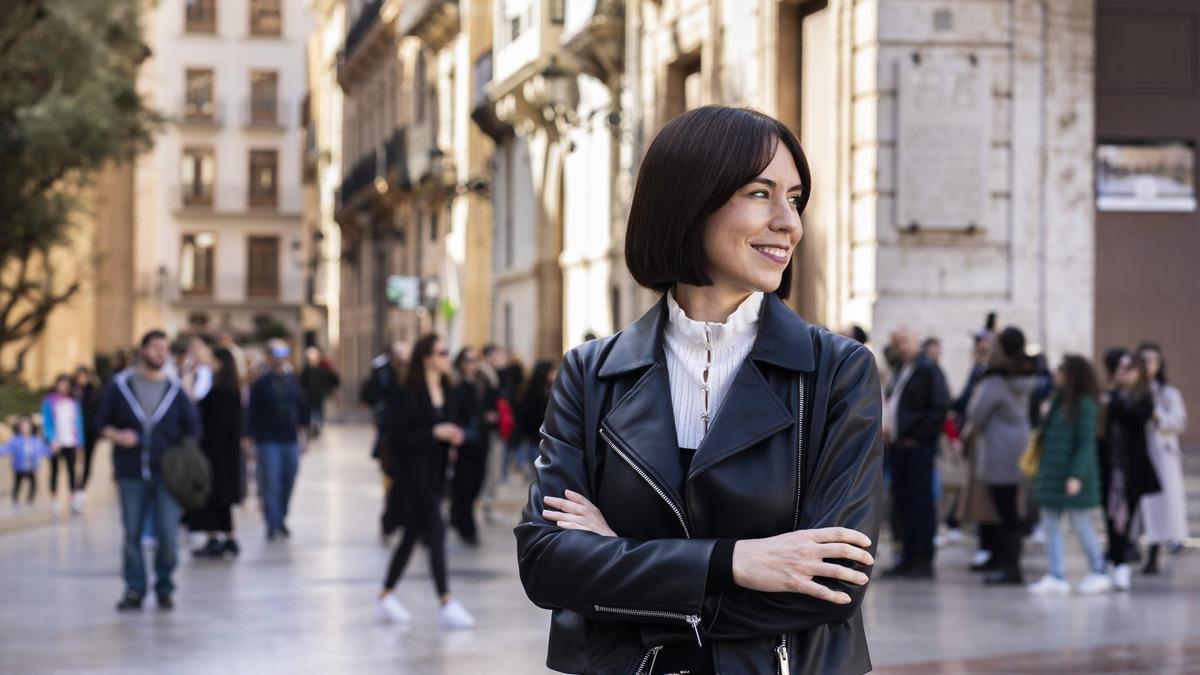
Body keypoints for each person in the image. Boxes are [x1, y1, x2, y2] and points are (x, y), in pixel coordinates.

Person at [516, 106, 882, 674]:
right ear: (690, 201)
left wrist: (617, 565)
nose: (790, 222)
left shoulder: (837, 372)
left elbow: (832, 583)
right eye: (761, 193)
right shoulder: (591, 374)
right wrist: (736, 562)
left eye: (796, 198)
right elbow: (546, 564)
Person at [96, 329, 200, 611]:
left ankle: (165, 585)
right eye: (155, 347)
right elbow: (100, 423)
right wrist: (118, 436)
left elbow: (193, 429)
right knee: (132, 534)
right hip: (130, 473)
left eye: (165, 349)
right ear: (142, 350)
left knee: (167, 535)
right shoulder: (121, 386)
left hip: (167, 475)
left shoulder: (175, 389)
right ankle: (134, 589)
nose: (160, 353)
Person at [376, 334, 475, 629]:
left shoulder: (448, 389)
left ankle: (385, 594)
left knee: (410, 537)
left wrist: (453, 436)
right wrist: (435, 433)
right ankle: (445, 600)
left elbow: (453, 424)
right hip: (412, 476)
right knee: (436, 532)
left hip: (435, 474)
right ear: (427, 358)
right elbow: (397, 437)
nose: (447, 358)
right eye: (442, 352)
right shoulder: (409, 392)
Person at [1027, 355, 1112, 595]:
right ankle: (1056, 575)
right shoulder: (1057, 401)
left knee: (1080, 522)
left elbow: (1086, 445)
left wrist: (1075, 475)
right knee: (1051, 524)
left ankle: (1099, 570)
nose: (1056, 375)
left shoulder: (1084, 405)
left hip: (1073, 477)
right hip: (1052, 473)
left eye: (1061, 371)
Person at [964, 327, 1037, 585]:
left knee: (1006, 515)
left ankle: (1010, 568)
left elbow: (976, 414)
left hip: (998, 452)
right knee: (1011, 513)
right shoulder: (1026, 377)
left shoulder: (996, 381)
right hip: (1019, 449)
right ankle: (1008, 564)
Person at [882, 328, 949, 579]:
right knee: (903, 504)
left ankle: (922, 558)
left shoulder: (927, 368)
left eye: (903, 341)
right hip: (899, 447)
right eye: (896, 343)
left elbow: (940, 407)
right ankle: (907, 557)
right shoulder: (902, 368)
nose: (899, 347)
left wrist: (917, 435)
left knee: (921, 504)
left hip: (917, 447)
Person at [1100, 351, 1159, 591]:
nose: (1123, 372)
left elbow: (1135, 418)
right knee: (1110, 516)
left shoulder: (1143, 397)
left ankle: (1121, 563)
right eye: (1120, 368)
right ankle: (1114, 560)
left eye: (1128, 369)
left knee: (1126, 518)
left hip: (1132, 469)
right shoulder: (1109, 395)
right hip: (1109, 467)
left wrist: (1113, 402)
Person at [245, 339, 309, 540]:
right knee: (271, 482)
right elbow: (251, 413)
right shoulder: (259, 384)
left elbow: (302, 408)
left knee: (289, 479)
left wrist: (305, 434)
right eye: (275, 351)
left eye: (284, 351)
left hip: (290, 438)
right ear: (268, 356)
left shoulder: (293, 381)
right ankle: (272, 522)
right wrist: (248, 438)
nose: (280, 355)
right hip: (268, 439)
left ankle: (281, 517)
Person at [187, 348, 245, 559]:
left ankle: (218, 538)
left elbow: (201, 411)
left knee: (213, 497)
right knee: (221, 501)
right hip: (225, 455)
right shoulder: (231, 390)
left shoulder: (219, 392)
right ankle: (224, 538)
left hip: (214, 455)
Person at [1136, 343, 1188, 573]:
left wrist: (1158, 417)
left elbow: (1179, 422)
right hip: (1135, 454)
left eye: (1152, 361)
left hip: (1161, 455)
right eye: (1144, 361)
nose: (1148, 366)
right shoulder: (1132, 390)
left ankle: (1154, 553)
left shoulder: (1168, 393)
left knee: (1159, 507)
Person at [449, 347, 490, 545]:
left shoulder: (481, 384)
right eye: (468, 360)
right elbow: (454, 414)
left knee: (477, 483)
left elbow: (495, 396)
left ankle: (457, 515)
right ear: (461, 363)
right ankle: (467, 527)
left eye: (475, 360)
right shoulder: (456, 386)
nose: (472, 365)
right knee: (465, 485)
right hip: (463, 443)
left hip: (480, 442)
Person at [42, 373, 86, 515]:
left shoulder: (74, 401)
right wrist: (51, 440)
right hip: (56, 443)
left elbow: (78, 423)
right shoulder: (49, 401)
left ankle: (73, 500)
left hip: (70, 442)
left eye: (66, 383)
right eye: (61, 383)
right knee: (55, 471)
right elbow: (47, 422)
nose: (64, 386)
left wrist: (80, 442)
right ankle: (54, 500)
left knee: (72, 471)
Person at [1, 416, 51, 504]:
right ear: (19, 428)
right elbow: (6, 449)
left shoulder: (36, 440)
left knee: (34, 484)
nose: (25, 429)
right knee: (17, 484)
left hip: (32, 466)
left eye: (27, 426)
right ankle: (15, 500)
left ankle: (30, 500)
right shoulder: (16, 440)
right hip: (19, 467)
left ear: (32, 428)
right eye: (23, 427)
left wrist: (52, 450)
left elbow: (43, 450)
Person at [517, 360, 557, 471]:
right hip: (535, 438)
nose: (555, 374)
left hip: (551, 439)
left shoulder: (555, 390)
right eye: (552, 372)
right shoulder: (532, 393)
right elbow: (526, 417)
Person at [73, 366, 102, 499]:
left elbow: (99, 411)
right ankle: (73, 486)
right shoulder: (73, 392)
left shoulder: (95, 391)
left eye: (83, 376)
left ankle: (81, 487)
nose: (81, 379)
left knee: (87, 461)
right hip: (74, 432)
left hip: (90, 432)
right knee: (72, 460)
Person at [300, 346, 340, 438]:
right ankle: (311, 428)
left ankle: (317, 427)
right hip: (308, 398)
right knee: (310, 413)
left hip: (319, 397)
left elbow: (334, 379)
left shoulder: (323, 370)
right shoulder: (305, 371)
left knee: (318, 413)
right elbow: (300, 384)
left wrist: (328, 389)